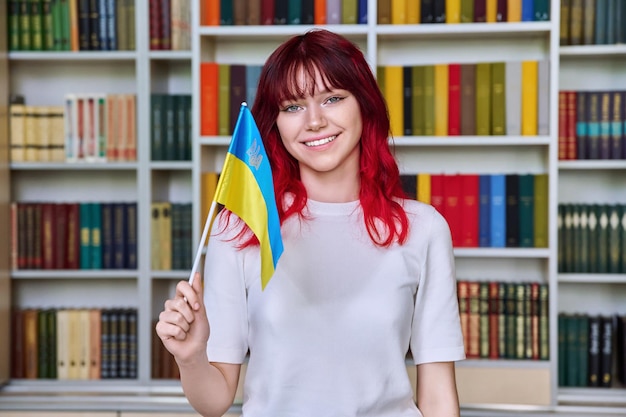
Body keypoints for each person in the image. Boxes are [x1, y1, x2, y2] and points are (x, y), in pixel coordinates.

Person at [155, 28, 465, 417]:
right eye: (293, 106)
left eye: (333, 98)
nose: (314, 121)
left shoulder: (423, 229)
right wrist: (192, 356)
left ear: (364, 106)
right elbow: (215, 401)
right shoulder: (239, 229)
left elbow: (438, 394)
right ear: (276, 124)